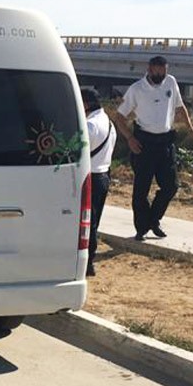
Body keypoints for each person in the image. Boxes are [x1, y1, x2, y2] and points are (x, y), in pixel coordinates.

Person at [114, 56, 193, 241]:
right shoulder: (137, 89)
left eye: (162, 70)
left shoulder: (171, 82)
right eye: (156, 70)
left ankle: (153, 220)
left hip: (165, 142)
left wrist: (191, 128)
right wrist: (130, 138)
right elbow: (119, 116)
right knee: (141, 190)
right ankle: (142, 228)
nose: (160, 74)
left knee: (171, 186)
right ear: (149, 69)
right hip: (144, 143)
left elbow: (180, 107)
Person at [81, 89, 116, 277]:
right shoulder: (108, 123)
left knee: (88, 222)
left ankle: (88, 261)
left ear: (85, 104)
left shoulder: (90, 125)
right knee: (95, 220)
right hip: (103, 175)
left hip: (91, 176)